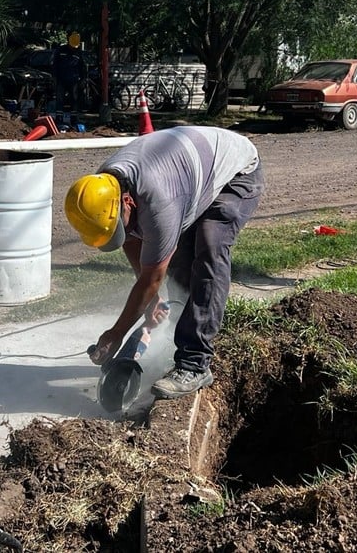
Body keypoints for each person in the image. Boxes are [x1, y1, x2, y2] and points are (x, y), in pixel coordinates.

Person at [64, 126, 264, 399]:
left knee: (208, 248)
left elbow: (151, 275)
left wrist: (117, 332)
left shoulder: (160, 202)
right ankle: (179, 334)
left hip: (237, 171)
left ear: (127, 201)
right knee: (180, 260)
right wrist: (152, 298)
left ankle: (195, 364)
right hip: (188, 172)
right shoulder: (104, 187)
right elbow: (131, 237)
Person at [52, 31, 87, 125]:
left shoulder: (78, 53)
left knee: (74, 99)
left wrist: (83, 79)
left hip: (74, 80)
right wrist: (54, 78)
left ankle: (74, 119)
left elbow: (83, 67)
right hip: (61, 79)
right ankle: (59, 119)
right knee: (60, 98)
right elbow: (55, 65)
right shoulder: (60, 50)